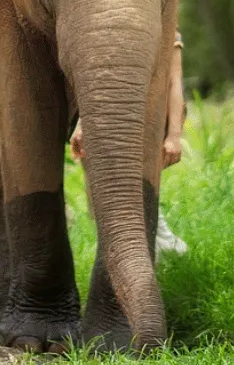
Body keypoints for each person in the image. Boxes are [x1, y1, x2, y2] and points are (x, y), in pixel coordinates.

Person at [70, 29, 189, 255]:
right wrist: (81, 123)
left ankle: (158, 247)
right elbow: (98, 80)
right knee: (101, 189)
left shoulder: (168, 33)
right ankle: (126, 247)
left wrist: (174, 135)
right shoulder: (109, 29)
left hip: (146, 121)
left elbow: (175, 84)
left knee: (137, 187)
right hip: (108, 118)